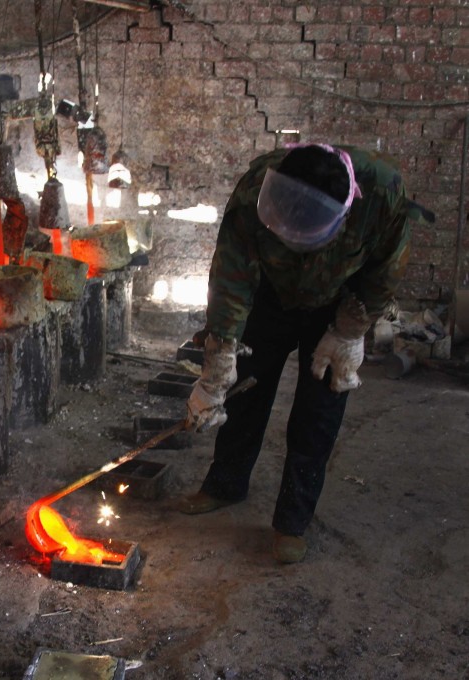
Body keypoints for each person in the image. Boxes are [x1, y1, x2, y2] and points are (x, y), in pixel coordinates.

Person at [179, 143, 426, 564]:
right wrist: (218, 364)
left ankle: (292, 522)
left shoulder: (384, 196)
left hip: (337, 304)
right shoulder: (255, 190)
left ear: (345, 213)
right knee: (245, 393)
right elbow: (231, 276)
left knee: (318, 412)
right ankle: (224, 484)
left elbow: (386, 269)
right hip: (270, 295)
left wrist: (350, 331)